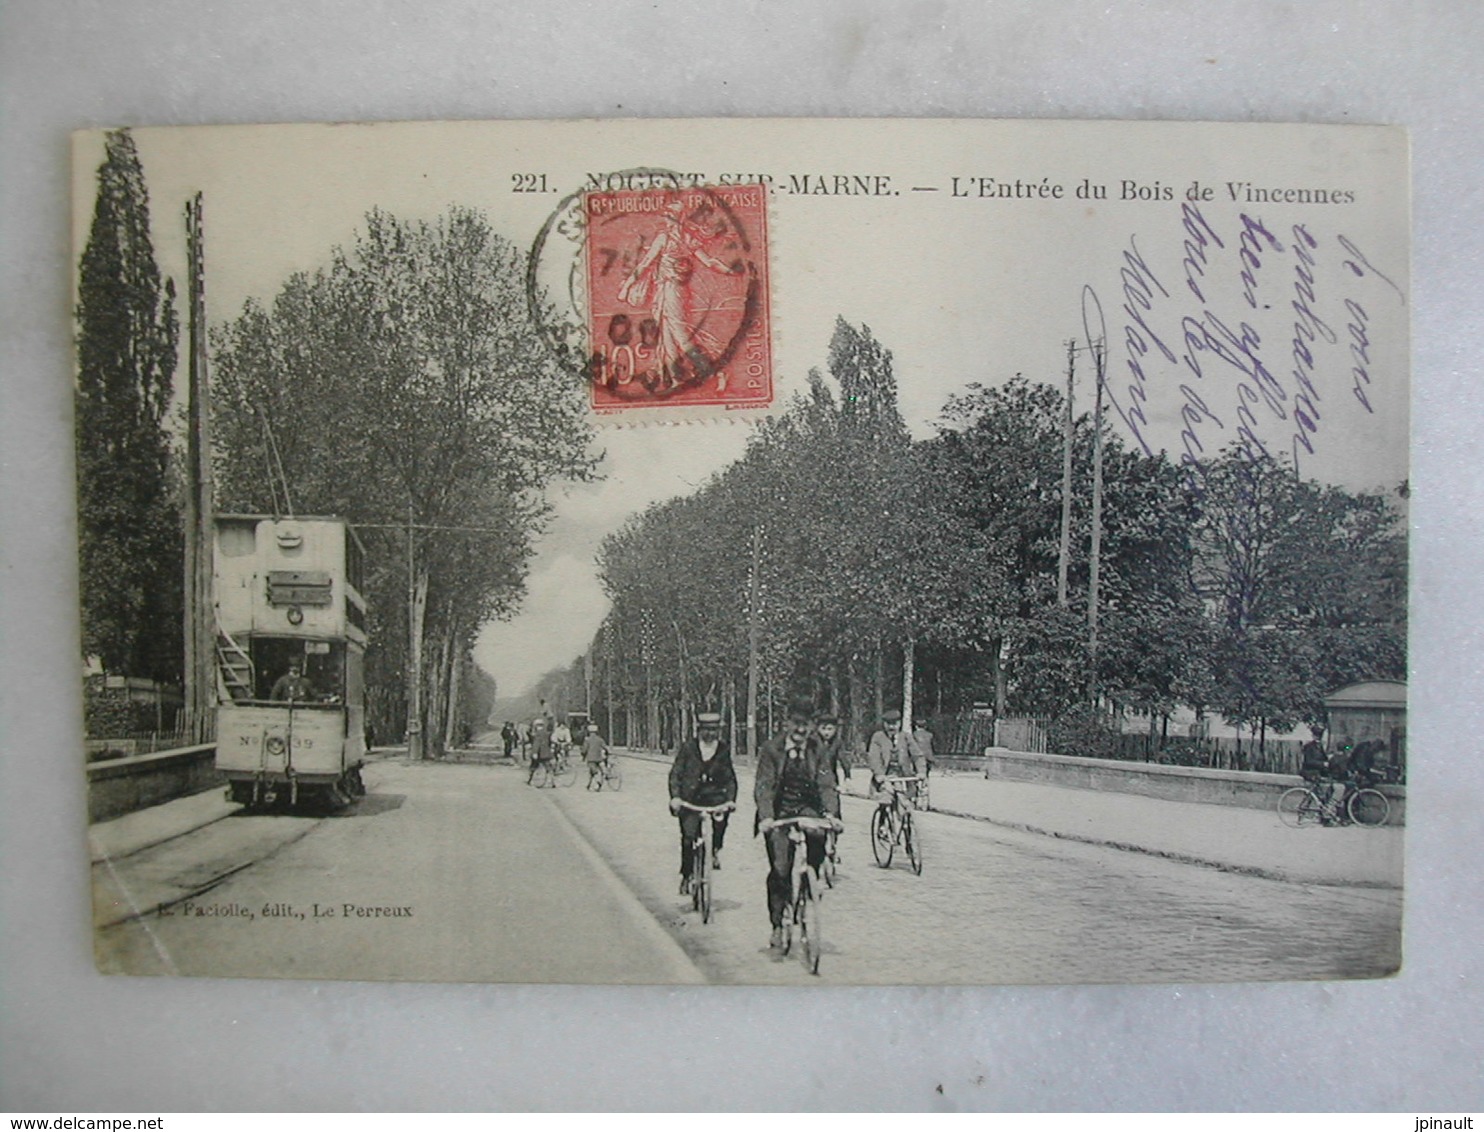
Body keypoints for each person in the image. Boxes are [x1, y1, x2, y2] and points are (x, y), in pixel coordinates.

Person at [755, 702, 840, 951]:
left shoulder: (817, 749)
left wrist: (831, 814)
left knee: (818, 837)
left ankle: (808, 883)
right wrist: (767, 817)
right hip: (780, 810)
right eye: (796, 723)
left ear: (811, 726)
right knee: (780, 869)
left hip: (807, 808)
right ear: (787, 723)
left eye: (806, 724)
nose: (801, 729)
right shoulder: (773, 749)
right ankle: (778, 924)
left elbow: (826, 783)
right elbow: (764, 786)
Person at [668, 713, 738, 892]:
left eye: (714, 730)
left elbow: (730, 778)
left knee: (721, 823)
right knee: (688, 839)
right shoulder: (688, 748)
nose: (710, 733)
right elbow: (676, 774)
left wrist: (730, 800)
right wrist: (675, 797)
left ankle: (715, 849)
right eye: (707, 729)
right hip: (690, 800)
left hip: (715, 798)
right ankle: (686, 875)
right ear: (699, 730)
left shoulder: (723, 749)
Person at [865, 709, 920, 800]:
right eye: (888, 724)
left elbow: (917, 755)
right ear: (884, 724)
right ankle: (884, 812)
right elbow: (874, 757)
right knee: (886, 797)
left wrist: (921, 772)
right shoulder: (878, 737)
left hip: (904, 776)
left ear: (900, 723)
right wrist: (879, 773)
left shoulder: (906, 737)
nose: (891, 727)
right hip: (885, 776)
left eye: (894, 724)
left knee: (909, 801)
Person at [582, 723, 611, 790]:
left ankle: (598, 783)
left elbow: (584, 750)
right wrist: (607, 753)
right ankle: (589, 784)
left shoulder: (587, 740)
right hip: (599, 758)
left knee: (594, 771)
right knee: (600, 769)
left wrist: (583, 756)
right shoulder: (600, 739)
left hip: (591, 759)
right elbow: (605, 747)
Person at [526, 717, 552, 786]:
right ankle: (551, 782)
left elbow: (536, 744)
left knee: (533, 767)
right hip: (546, 753)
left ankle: (530, 780)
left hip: (539, 754)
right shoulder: (546, 733)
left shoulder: (538, 734)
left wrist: (534, 752)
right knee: (548, 767)